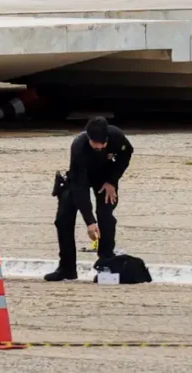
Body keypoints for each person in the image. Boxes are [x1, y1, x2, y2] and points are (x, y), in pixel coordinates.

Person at [45, 117, 133, 282]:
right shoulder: (78, 146)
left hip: (105, 178)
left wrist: (112, 181)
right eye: (95, 144)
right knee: (63, 219)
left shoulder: (116, 136)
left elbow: (126, 154)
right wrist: (90, 221)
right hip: (80, 178)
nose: (99, 147)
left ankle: (105, 265)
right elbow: (80, 188)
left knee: (106, 216)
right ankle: (67, 267)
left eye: (102, 144)